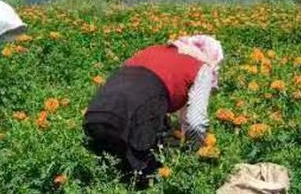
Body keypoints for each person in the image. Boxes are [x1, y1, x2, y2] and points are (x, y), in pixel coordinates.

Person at [83, 35, 223, 178]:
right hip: (135, 121)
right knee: (143, 177)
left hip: (95, 114)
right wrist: (193, 154)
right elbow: (196, 123)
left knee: (104, 169)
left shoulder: (153, 50)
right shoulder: (203, 68)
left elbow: (134, 87)